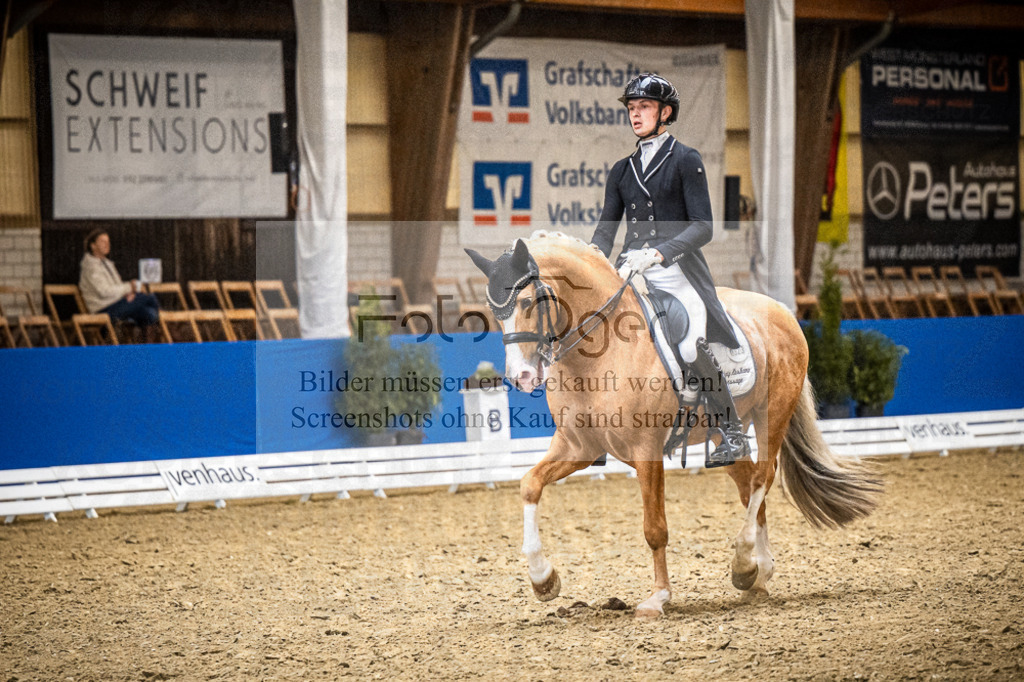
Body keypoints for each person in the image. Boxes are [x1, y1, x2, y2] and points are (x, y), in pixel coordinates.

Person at [590, 72, 750, 468]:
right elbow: (605, 230)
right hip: (631, 270)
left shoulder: (686, 160)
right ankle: (594, 431)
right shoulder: (621, 171)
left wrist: (660, 254)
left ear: (665, 112)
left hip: (677, 271)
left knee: (690, 342)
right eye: (631, 108)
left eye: (643, 107)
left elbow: (703, 226)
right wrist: (591, 260)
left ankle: (730, 433)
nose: (636, 114)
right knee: (596, 333)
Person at [79, 229, 160, 342]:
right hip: (103, 308)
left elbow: (117, 287)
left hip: (116, 303)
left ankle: (146, 347)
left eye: (108, 241)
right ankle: (169, 328)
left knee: (149, 314)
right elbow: (104, 292)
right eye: (102, 241)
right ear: (93, 245)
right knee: (148, 296)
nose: (107, 245)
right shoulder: (91, 267)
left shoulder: (107, 263)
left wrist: (129, 293)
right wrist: (129, 288)